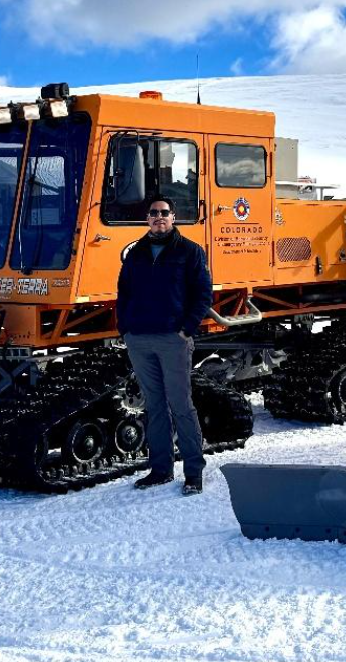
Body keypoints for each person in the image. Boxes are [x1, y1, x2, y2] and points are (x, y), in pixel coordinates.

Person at [116, 194, 213, 495]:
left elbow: (203, 295)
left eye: (164, 213)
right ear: (147, 219)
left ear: (174, 218)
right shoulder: (136, 253)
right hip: (139, 339)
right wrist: (125, 328)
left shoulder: (190, 252)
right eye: (154, 213)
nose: (159, 217)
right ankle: (160, 469)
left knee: (181, 406)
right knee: (154, 406)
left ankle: (194, 473)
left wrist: (185, 330)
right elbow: (123, 293)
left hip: (173, 339)